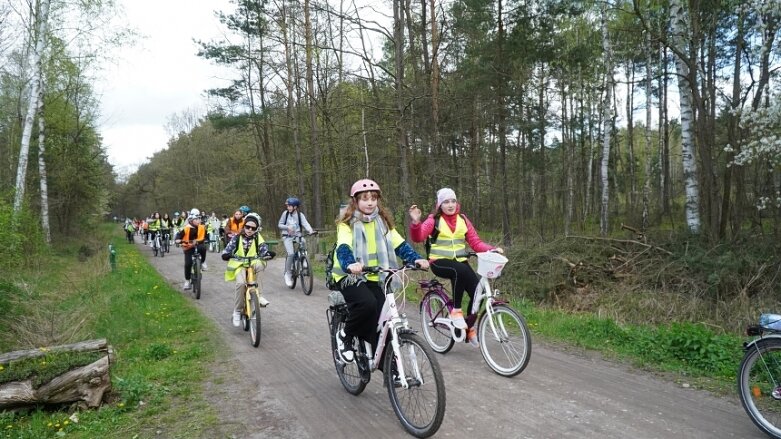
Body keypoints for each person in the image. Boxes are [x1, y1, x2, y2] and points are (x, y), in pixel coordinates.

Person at [330, 179, 429, 362]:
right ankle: (345, 336)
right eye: (365, 198)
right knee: (368, 304)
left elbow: (399, 244)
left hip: (377, 276)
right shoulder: (346, 224)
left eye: (373, 198)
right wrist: (350, 264)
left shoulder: (382, 222)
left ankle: (390, 370)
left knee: (383, 322)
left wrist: (416, 259)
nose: (370, 202)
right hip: (349, 276)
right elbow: (343, 246)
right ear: (355, 201)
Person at [409, 188, 502, 347]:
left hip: (459, 262)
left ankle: (469, 328)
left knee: (477, 292)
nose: (450, 205)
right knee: (459, 269)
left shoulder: (463, 220)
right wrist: (416, 222)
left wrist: (491, 249)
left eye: (453, 201)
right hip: (438, 262)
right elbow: (418, 237)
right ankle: (456, 311)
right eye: (446, 202)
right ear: (439, 205)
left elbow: (476, 242)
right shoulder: (434, 220)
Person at [221, 213, 276, 327]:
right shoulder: (237, 237)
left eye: (253, 228)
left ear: (256, 229)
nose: (250, 230)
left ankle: (259, 296)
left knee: (261, 265)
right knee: (241, 284)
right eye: (247, 227)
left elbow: (263, 250)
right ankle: (237, 311)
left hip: (252, 263)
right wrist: (227, 255)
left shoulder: (258, 238)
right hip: (239, 264)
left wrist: (268, 254)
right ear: (244, 226)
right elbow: (226, 250)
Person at [278, 197, 316, 287]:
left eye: (290, 206)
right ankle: (288, 273)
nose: (288, 208)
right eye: (288, 206)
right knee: (290, 254)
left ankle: (304, 259)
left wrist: (310, 230)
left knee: (303, 241)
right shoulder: (285, 214)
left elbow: (306, 224)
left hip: (297, 235)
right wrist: (287, 227)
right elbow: (279, 224)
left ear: (295, 207)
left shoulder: (300, 215)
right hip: (287, 236)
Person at [175, 208, 209, 290]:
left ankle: (203, 262)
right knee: (188, 264)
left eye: (199, 219)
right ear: (191, 220)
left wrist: (205, 239)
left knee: (203, 248)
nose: (198, 221)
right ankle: (187, 281)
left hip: (198, 245)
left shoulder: (202, 227)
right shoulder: (186, 228)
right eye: (196, 219)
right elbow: (178, 236)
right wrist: (178, 240)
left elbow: (205, 236)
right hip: (188, 247)